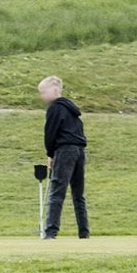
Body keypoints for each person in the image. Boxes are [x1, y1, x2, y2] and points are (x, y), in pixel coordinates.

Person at [37, 74, 87, 238]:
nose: (42, 96)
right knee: (78, 194)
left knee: (57, 190)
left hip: (65, 150)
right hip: (79, 151)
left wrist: (50, 154)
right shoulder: (73, 109)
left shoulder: (55, 108)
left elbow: (50, 133)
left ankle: (51, 231)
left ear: (55, 90)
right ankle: (84, 232)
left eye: (43, 92)